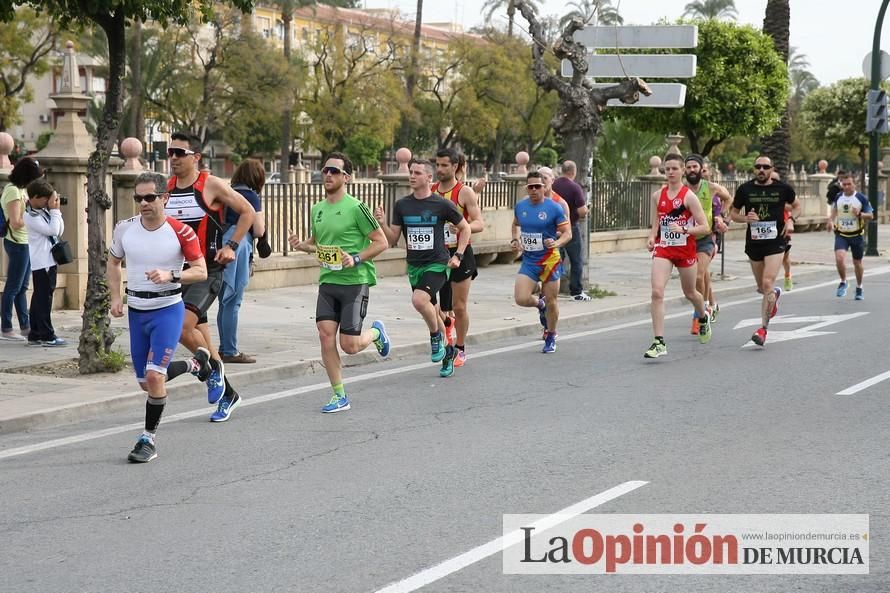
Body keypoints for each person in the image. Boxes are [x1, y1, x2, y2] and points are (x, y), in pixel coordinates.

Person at [108, 171, 210, 463]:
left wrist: (171, 275)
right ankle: (195, 363)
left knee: (154, 376)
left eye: (150, 197)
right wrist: (116, 297)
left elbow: (200, 271)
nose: (143, 203)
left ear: (165, 197)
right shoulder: (124, 229)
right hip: (137, 312)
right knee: (146, 382)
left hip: (167, 309)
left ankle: (148, 439)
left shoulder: (181, 231)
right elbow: (113, 262)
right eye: (138, 198)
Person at [288, 152, 390, 412]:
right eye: (325, 170)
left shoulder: (357, 208)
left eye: (334, 171)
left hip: (355, 281)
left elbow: (381, 242)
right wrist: (302, 245)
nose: (328, 175)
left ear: (347, 177)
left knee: (350, 345)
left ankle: (376, 333)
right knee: (325, 336)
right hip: (328, 281)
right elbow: (317, 242)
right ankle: (339, 395)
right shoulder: (317, 209)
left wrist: (355, 258)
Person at [164, 131, 255, 421]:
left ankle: (209, 369)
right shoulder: (165, 189)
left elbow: (248, 212)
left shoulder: (210, 185)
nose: (174, 158)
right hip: (179, 274)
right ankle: (228, 393)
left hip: (208, 271)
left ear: (196, 157)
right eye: (171, 153)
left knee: (181, 327)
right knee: (202, 341)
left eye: (180, 153)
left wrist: (232, 245)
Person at [374, 158, 471, 377]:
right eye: (411, 172)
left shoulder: (441, 204)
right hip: (415, 266)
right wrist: (381, 223)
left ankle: (435, 336)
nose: (412, 176)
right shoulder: (402, 205)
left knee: (419, 301)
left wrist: (458, 255)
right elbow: (392, 239)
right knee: (433, 311)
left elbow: (465, 229)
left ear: (429, 177)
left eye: (417, 172)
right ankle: (448, 353)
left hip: (437, 263)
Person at [644, 153, 712, 359]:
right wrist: (651, 236)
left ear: (682, 170)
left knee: (690, 293)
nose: (670, 172)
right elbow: (657, 221)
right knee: (657, 292)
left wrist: (685, 230)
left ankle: (703, 316)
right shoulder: (658, 196)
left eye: (675, 168)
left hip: (685, 250)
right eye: (667, 169)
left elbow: (705, 227)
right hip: (664, 248)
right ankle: (659, 342)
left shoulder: (688, 197)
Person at [728, 156, 801, 347]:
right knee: (763, 288)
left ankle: (763, 329)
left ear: (771, 169)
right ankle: (773, 295)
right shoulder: (745, 189)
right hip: (754, 243)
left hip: (776, 242)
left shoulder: (782, 188)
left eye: (765, 167)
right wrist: (745, 219)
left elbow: (797, 205)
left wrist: (791, 219)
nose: (761, 169)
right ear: (754, 169)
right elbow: (733, 214)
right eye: (758, 166)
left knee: (767, 282)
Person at [431, 148, 484, 369]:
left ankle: (460, 348)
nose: (440, 169)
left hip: (461, 254)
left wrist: (462, 226)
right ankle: (447, 324)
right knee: (434, 305)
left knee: (459, 306)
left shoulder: (464, 193)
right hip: (436, 255)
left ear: (455, 167)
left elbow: (479, 223)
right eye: (437, 165)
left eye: (445, 165)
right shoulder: (431, 191)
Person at [511, 170, 572, 354]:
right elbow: (515, 224)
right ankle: (540, 304)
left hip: (550, 260)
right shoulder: (521, 206)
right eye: (531, 187)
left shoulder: (554, 208)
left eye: (538, 186)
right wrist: (515, 240)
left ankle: (551, 334)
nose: (535, 190)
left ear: (544, 187)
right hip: (529, 260)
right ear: (526, 188)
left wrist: (556, 242)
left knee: (552, 300)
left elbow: (568, 233)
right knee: (521, 298)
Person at [216, 158, 266, 364]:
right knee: (232, 301)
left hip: (222, 244)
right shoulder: (250, 196)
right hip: (238, 246)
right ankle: (229, 350)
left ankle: (223, 347)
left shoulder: (227, 192)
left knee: (223, 300)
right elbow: (259, 230)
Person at [683, 154, 731, 334]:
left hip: (706, 238)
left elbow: (728, 199)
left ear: (701, 169)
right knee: (702, 276)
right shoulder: (681, 190)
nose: (692, 170)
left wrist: (721, 216)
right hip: (686, 239)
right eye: (688, 167)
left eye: (695, 167)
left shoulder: (710, 188)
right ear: (684, 170)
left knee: (698, 275)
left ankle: (699, 315)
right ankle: (712, 305)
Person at [1, 157, 42, 341]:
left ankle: (25, 327)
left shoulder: (20, 190)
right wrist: (35, 218)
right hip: (17, 242)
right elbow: (16, 223)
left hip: (25, 242)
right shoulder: (13, 192)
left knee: (22, 287)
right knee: (13, 287)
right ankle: (7, 327)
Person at [22, 179, 65, 346]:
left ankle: (36, 333)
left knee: (40, 298)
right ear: (34, 197)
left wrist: (56, 211)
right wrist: (54, 211)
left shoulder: (41, 212)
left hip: (48, 260)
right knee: (44, 299)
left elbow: (59, 230)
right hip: (42, 262)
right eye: (45, 199)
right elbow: (53, 230)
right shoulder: (30, 215)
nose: (48, 202)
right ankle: (46, 334)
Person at [827, 172, 873, 300]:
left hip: (856, 235)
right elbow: (835, 209)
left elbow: (871, 216)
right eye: (844, 184)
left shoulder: (861, 198)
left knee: (857, 262)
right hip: (841, 234)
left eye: (849, 184)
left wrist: (860, 214)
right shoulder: (838, 196)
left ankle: (859, 287)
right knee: (839, 258)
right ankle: (843, 282)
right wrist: (830, 220)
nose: (846, 187)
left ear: (854, 184)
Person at [551, 160, 591, 301]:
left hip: (552, 228)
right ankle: (576, 291)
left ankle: (550, 289)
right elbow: (581, 211)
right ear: (573, 172)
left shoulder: (552, 185)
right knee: (576, 260)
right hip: (570, 227)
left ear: (562, 170)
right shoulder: (575, 187)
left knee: (555, 260)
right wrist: (587, 209)